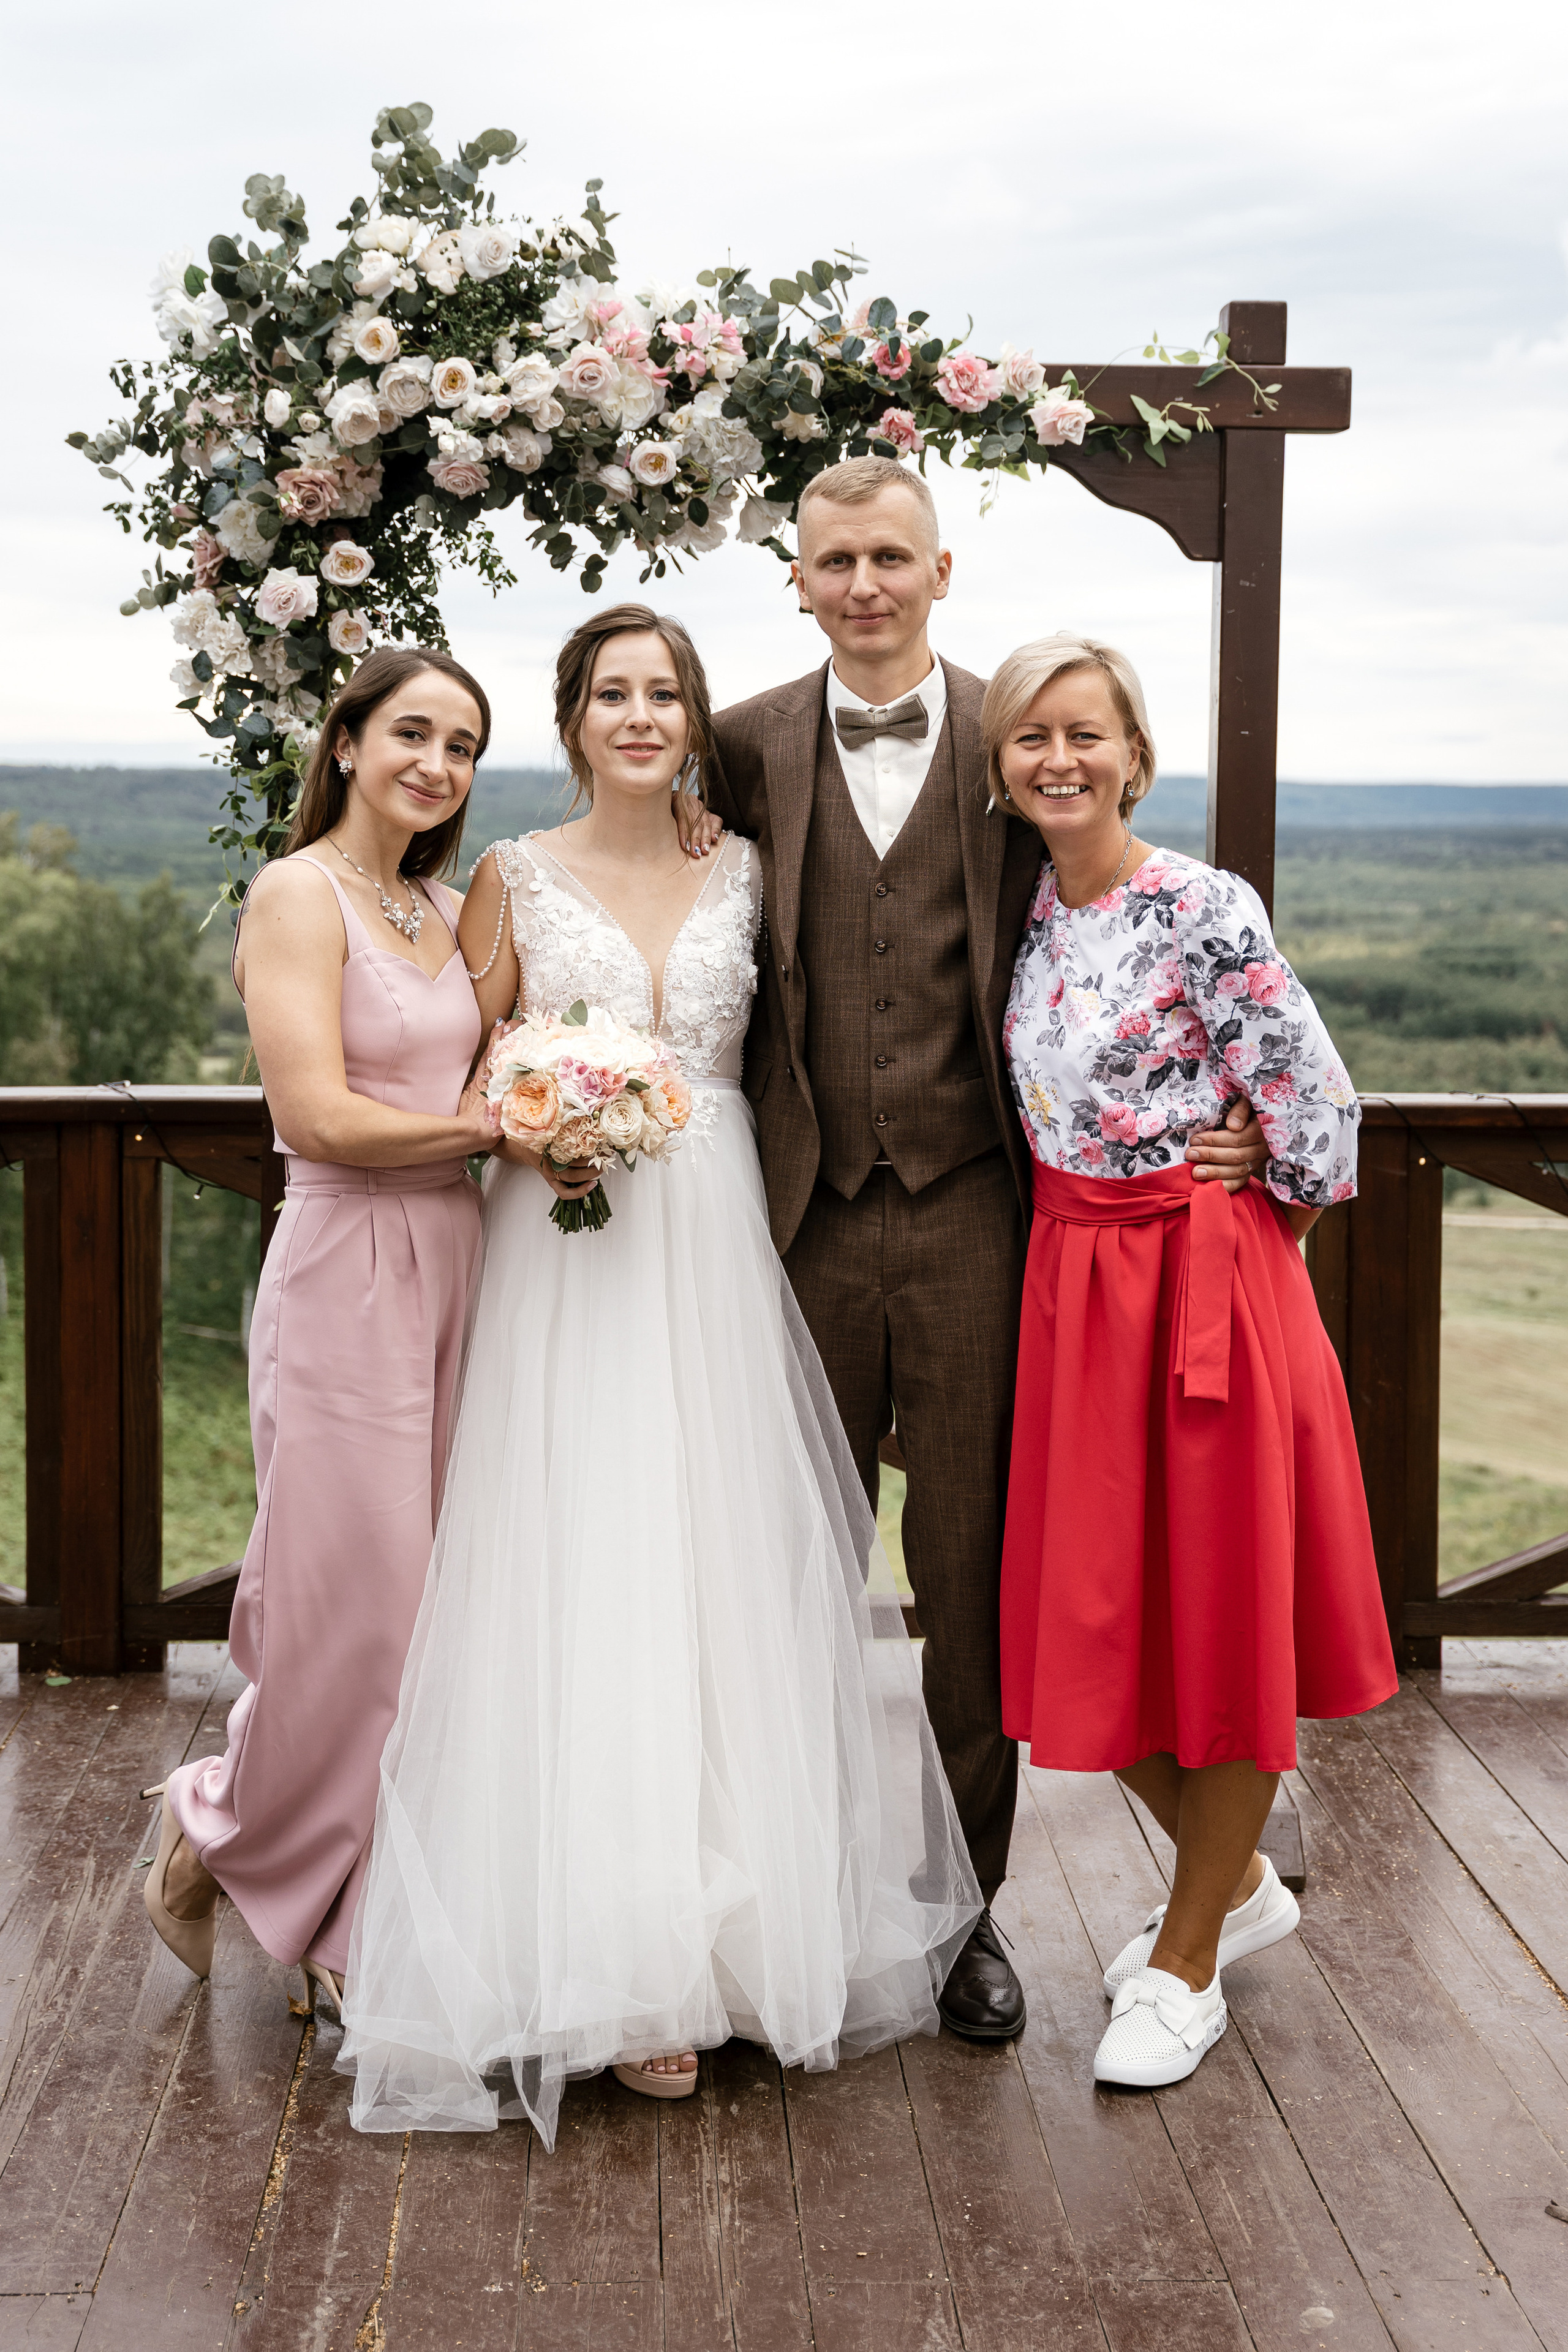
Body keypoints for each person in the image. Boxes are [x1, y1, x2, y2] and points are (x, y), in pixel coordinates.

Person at [337, 605, 981, 2147]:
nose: (638, 715)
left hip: (709, 1239)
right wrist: (535, 1110)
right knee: (577, 1566)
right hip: (567, 1250)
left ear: (695, 722)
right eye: (609, 693)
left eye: (663, 692)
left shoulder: (741, 862)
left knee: (710, 1566)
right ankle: (605, 1962)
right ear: (568, 721)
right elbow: (461, 1051)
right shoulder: (510, 876)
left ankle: (732, 1937)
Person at [703, 456, 1270, 2040]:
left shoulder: (1016, 751)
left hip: (975, 1216)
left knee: (973, 1588)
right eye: (837, 560)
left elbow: (1128, 923)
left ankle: (966, 1923)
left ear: (942, 575)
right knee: (791, 1583)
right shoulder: (744, 745)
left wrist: (1235, 1111)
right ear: (801, 578)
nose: (866, 583)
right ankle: (800, 1904)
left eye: (894, 556)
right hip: (798, 1221)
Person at [989, 632, 1398, 2090]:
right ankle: (1233, 1882)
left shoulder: (1201, 909)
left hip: (1197, 1289)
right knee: (1078, 1629)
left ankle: (1183, 1960)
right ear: (1001, 765)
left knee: (1217, 1622)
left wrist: (1233, 1190)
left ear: (1132, 753)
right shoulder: (1025, 912)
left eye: (1083, 734)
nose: (1059, 759)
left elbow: (1321, 1115)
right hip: (1068, 1287)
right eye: (1030, 736)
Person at [142, 648, 499, 2013]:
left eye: (462, 745)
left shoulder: (445, 905)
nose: (437, 763)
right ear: (345, 742)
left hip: (459, 1264)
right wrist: (487, 1131)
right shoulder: (299, 895)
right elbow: (314, 1116)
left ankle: (347, 1911)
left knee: (437, 1617)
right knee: (353, 1615)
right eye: (412, 731)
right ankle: (219, 1833)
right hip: (346, 1255)